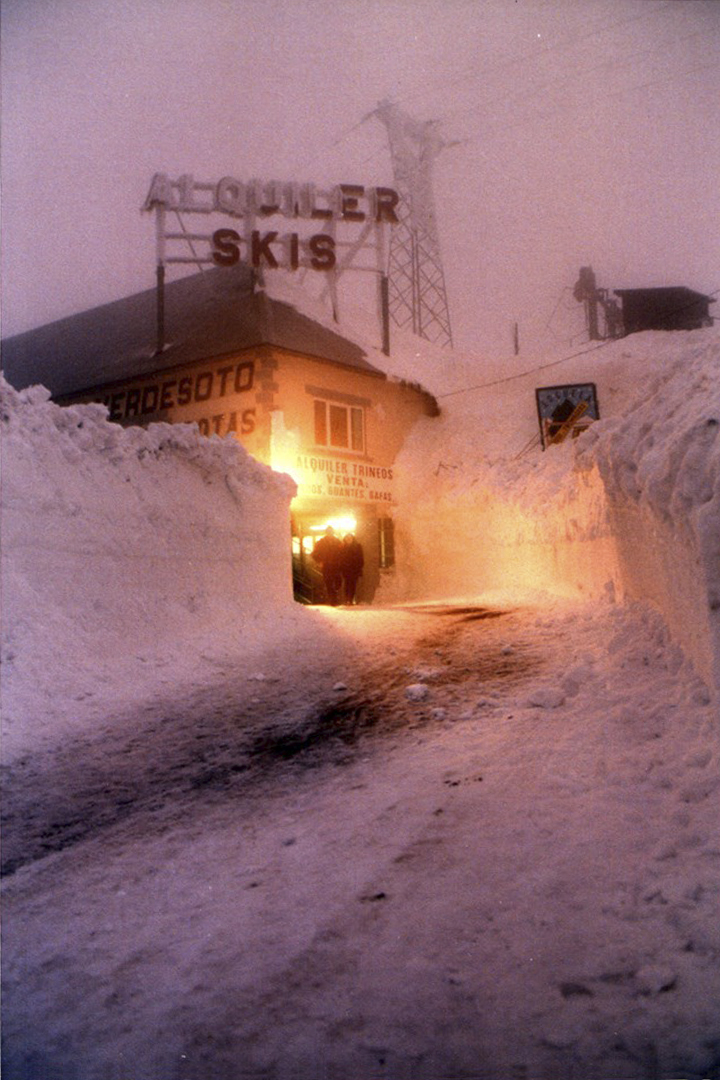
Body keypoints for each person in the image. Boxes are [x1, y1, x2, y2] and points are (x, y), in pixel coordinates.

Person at [311, 526, 344, 606]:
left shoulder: (337, 542)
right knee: (329, 582)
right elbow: (314, 554)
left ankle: (334, 596)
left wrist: (341, 561)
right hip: (326, 565)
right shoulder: (321, 542)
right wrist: (320, 561)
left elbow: (343, 552)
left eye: (331, 532)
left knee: (338, 581)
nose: (330, 533)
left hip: (336, 565)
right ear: (326, 532)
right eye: (329, 532)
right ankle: (333, 600)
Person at [340, 533, 364, 605]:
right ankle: (347, 599)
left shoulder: (357, 546)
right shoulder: (343, 547)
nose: (348, 540)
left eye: (350, 538)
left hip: (354, 569)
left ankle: (350, 599)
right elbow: (341, 558)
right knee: (347, 584)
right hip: (346, 569)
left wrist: (359, 567)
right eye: (347, 538)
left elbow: (360, 558)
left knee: (352, 584)